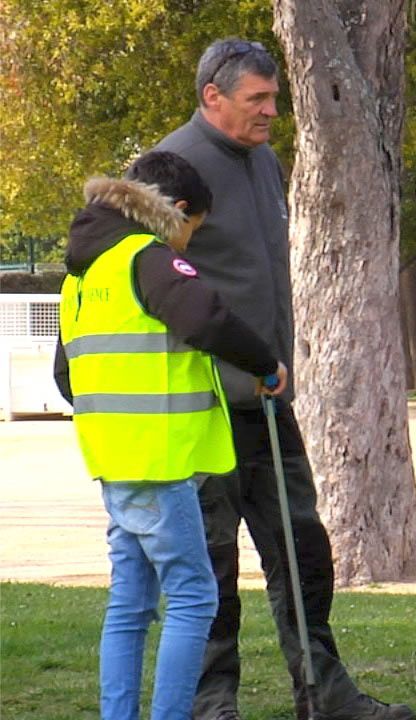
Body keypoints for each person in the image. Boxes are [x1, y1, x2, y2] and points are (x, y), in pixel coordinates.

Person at [154, 38, 414, 720]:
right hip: (203, 408)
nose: (273, 111)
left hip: (271, 404)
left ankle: (324, 693)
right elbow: (141, 281)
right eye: (258, 99)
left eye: (275, 98)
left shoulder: (266, 161)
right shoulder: (171, 167)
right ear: (213, 96)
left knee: (303, 551)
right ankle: (212, 702)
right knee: (212, 565)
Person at [54, 151, 285, 720]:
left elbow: (66, 376)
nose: (189, 245)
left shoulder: (82, 277)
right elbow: (208, 319)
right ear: (177, 210)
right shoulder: (148, 258)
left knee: (130, 604)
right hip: (160, 463)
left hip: (114, 462)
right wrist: (265, 364)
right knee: (194, 598)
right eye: (192, 231)